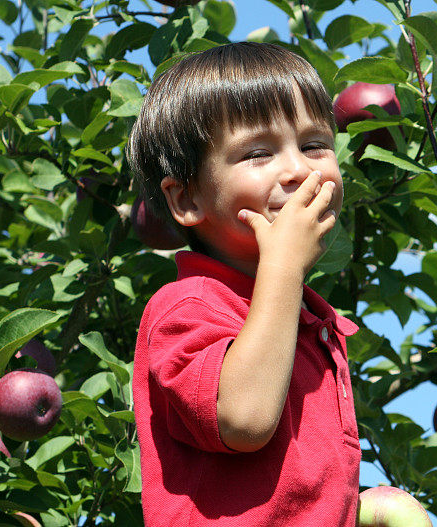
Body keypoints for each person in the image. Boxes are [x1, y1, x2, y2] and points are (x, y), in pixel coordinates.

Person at [126, 42, 361, 526]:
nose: (299, 169)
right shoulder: (187, 306)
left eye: (316, 144)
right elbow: (245, 419)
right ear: (188, 198)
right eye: (257, 153)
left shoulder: (310, 323)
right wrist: (283, 269)